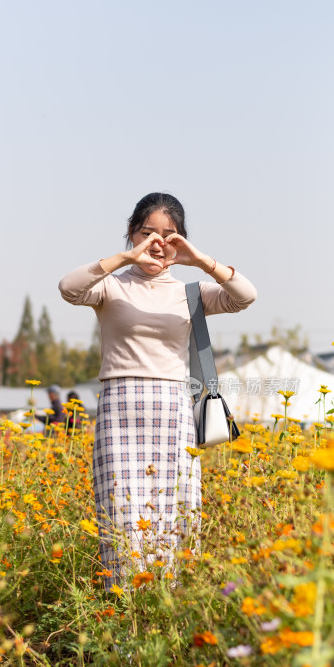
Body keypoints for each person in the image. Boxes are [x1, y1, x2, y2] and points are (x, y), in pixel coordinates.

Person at [59, 192, 257, 590]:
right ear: (131, 234)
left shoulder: (191, 293)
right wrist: (126, 258)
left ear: (180, 240)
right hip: (120, 408)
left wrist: (199, 260)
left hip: (172, 410)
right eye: (147, 232)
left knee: (175, 511)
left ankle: (168, 609)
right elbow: (69, 287)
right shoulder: (111, 287)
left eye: (169, 235)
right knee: (121, 513)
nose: (157, 242)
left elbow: (245, 295)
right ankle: (125, 613)